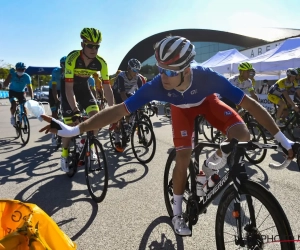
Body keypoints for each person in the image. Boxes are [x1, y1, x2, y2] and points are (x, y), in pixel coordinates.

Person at [40, 36, 294, 236]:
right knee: (183, 156)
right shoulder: (157, 85)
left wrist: (284, 141)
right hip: (179, 111)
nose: (164, 77)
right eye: (161, 70)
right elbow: (117, 110)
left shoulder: (207, 77)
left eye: (171, 72)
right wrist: (75, 130)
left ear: (187, 69)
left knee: (243, 134)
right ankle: (176, 213)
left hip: (207, 102)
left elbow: (250, 105)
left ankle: (212, 160)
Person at [59, 27, 114, 172]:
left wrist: (114, 109)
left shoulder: (101, 63)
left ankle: (91, 147)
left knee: (95, 118)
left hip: (83, 88)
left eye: (97, 46)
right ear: (83, 44)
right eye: (90, 45)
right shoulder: (73, 58)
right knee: (70, 125)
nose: (93, 49)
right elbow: (69, 88)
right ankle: (64, 154)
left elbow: (107, 88)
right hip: (69, 88)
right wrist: (76, 110)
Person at [111, 58, 145, 152]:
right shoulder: (121, 76)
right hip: (118, 93)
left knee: (130, 112)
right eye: (134, 70)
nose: (136, 72)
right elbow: (122, 93)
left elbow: (142, 92)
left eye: (138, 70)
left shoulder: (138, 77)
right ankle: (117, 138)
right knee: (119, 116)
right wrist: (129, 106)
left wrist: (146, 103)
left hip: (129, 92)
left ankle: (127, 126)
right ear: (128, 68)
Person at [49, 56, 66, 146]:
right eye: (64, 64)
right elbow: (54, 88)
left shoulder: (70, 71)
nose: (65, 66)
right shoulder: (56, 72)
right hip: (54, 90)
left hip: (64, 90)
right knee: (54, 113)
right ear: (61, 65)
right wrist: (56, 100)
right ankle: (53, 136)